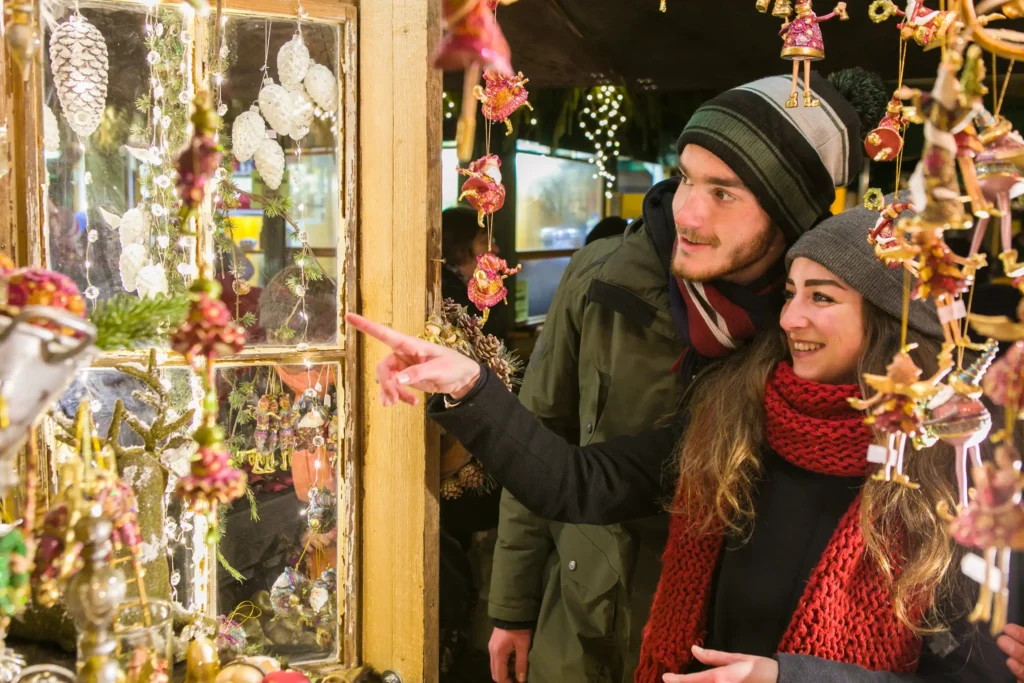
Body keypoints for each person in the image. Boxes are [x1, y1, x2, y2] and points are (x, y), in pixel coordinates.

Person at [347, 200, 1019, 681]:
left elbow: (975, 671)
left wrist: (789, 676)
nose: (791, 317)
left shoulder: (955, 467)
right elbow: (576, 482)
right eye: (789, 291)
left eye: (823, 297)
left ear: (889, 318)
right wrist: (469, 385)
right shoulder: (735, 420)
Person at [485, 68, 885, 683]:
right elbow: (549, 437)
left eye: (724, 192)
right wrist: (512, 608)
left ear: (786, 213)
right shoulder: (604, 274)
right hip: (583, 604)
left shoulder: (810, 327)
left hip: (720, 634)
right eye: (686, 178)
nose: (688, 212)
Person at [442, 206, 498, 311]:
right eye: (485, 242)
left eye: (493, 241)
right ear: (459, 247)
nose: (495, 249)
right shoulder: (445, 296)